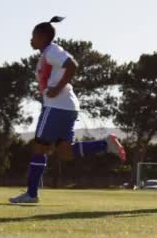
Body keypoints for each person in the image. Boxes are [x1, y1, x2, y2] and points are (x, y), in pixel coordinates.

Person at [8, 17, 126, 204]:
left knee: (39, 148)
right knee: (66, 153)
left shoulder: (51, 51)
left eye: (33, 36)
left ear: (42, 36)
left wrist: (56, 88)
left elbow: (72, 65)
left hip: (56, 107)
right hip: (67, 107)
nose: (30, 40)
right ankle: (106, 144)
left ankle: (31, 194)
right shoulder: (47, 53)